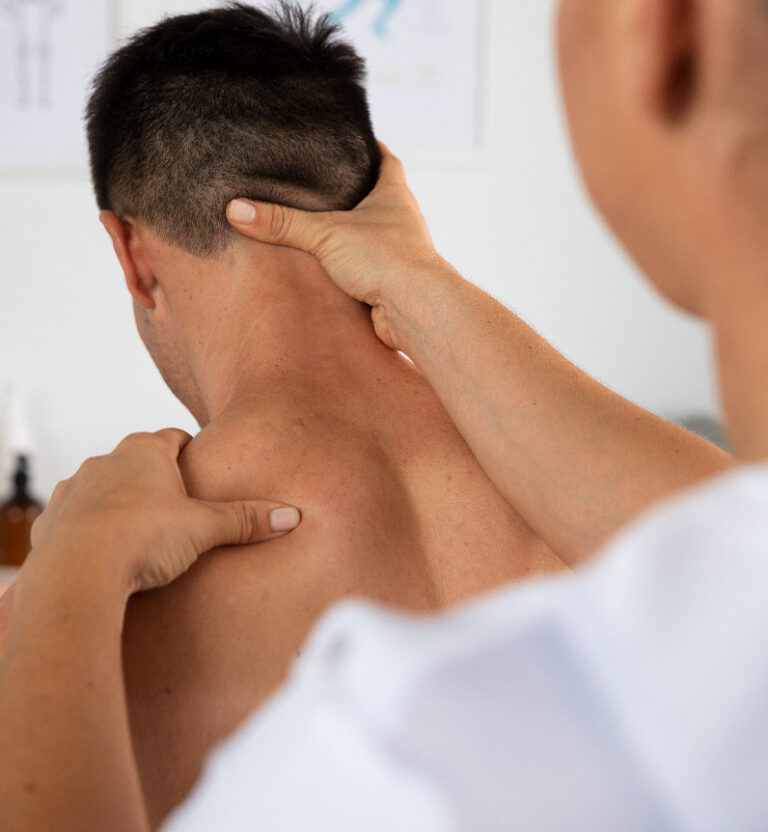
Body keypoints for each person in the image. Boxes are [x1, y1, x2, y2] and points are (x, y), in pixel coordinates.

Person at [0, 0, 754, 829]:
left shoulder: (78, 631)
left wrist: (63, 566)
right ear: (378, 202)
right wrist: (424, 280)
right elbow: (731, 551)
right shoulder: (617, 507)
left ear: (130, 253)